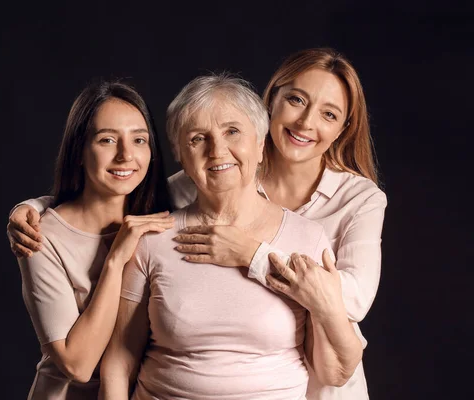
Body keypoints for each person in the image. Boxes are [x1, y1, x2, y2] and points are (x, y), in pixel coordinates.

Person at [8, 48, 387, 399]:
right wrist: (35, 207)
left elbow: (353, 304)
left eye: (329, 113)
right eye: (296, 100)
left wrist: (251, 253)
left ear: (256, 143)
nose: (217, 150)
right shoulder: (177, 201)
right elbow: (121, 184)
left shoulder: (352, 205)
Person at [99, 73, 363, 399]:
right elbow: (119, 360)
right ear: (181, 155)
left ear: (261, 145)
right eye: (198, 138)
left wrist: (325, 304)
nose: (217, 150)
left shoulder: (307, 240)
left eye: (232, 132)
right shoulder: (152, 238)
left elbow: (334, 372)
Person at [16, 80, 173, 399]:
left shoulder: (165, 214)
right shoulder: (42, 237)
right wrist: (116, 260)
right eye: (107, 140)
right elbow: (77, 364)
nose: (126, 155)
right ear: (79, 151)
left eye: (139, 140)